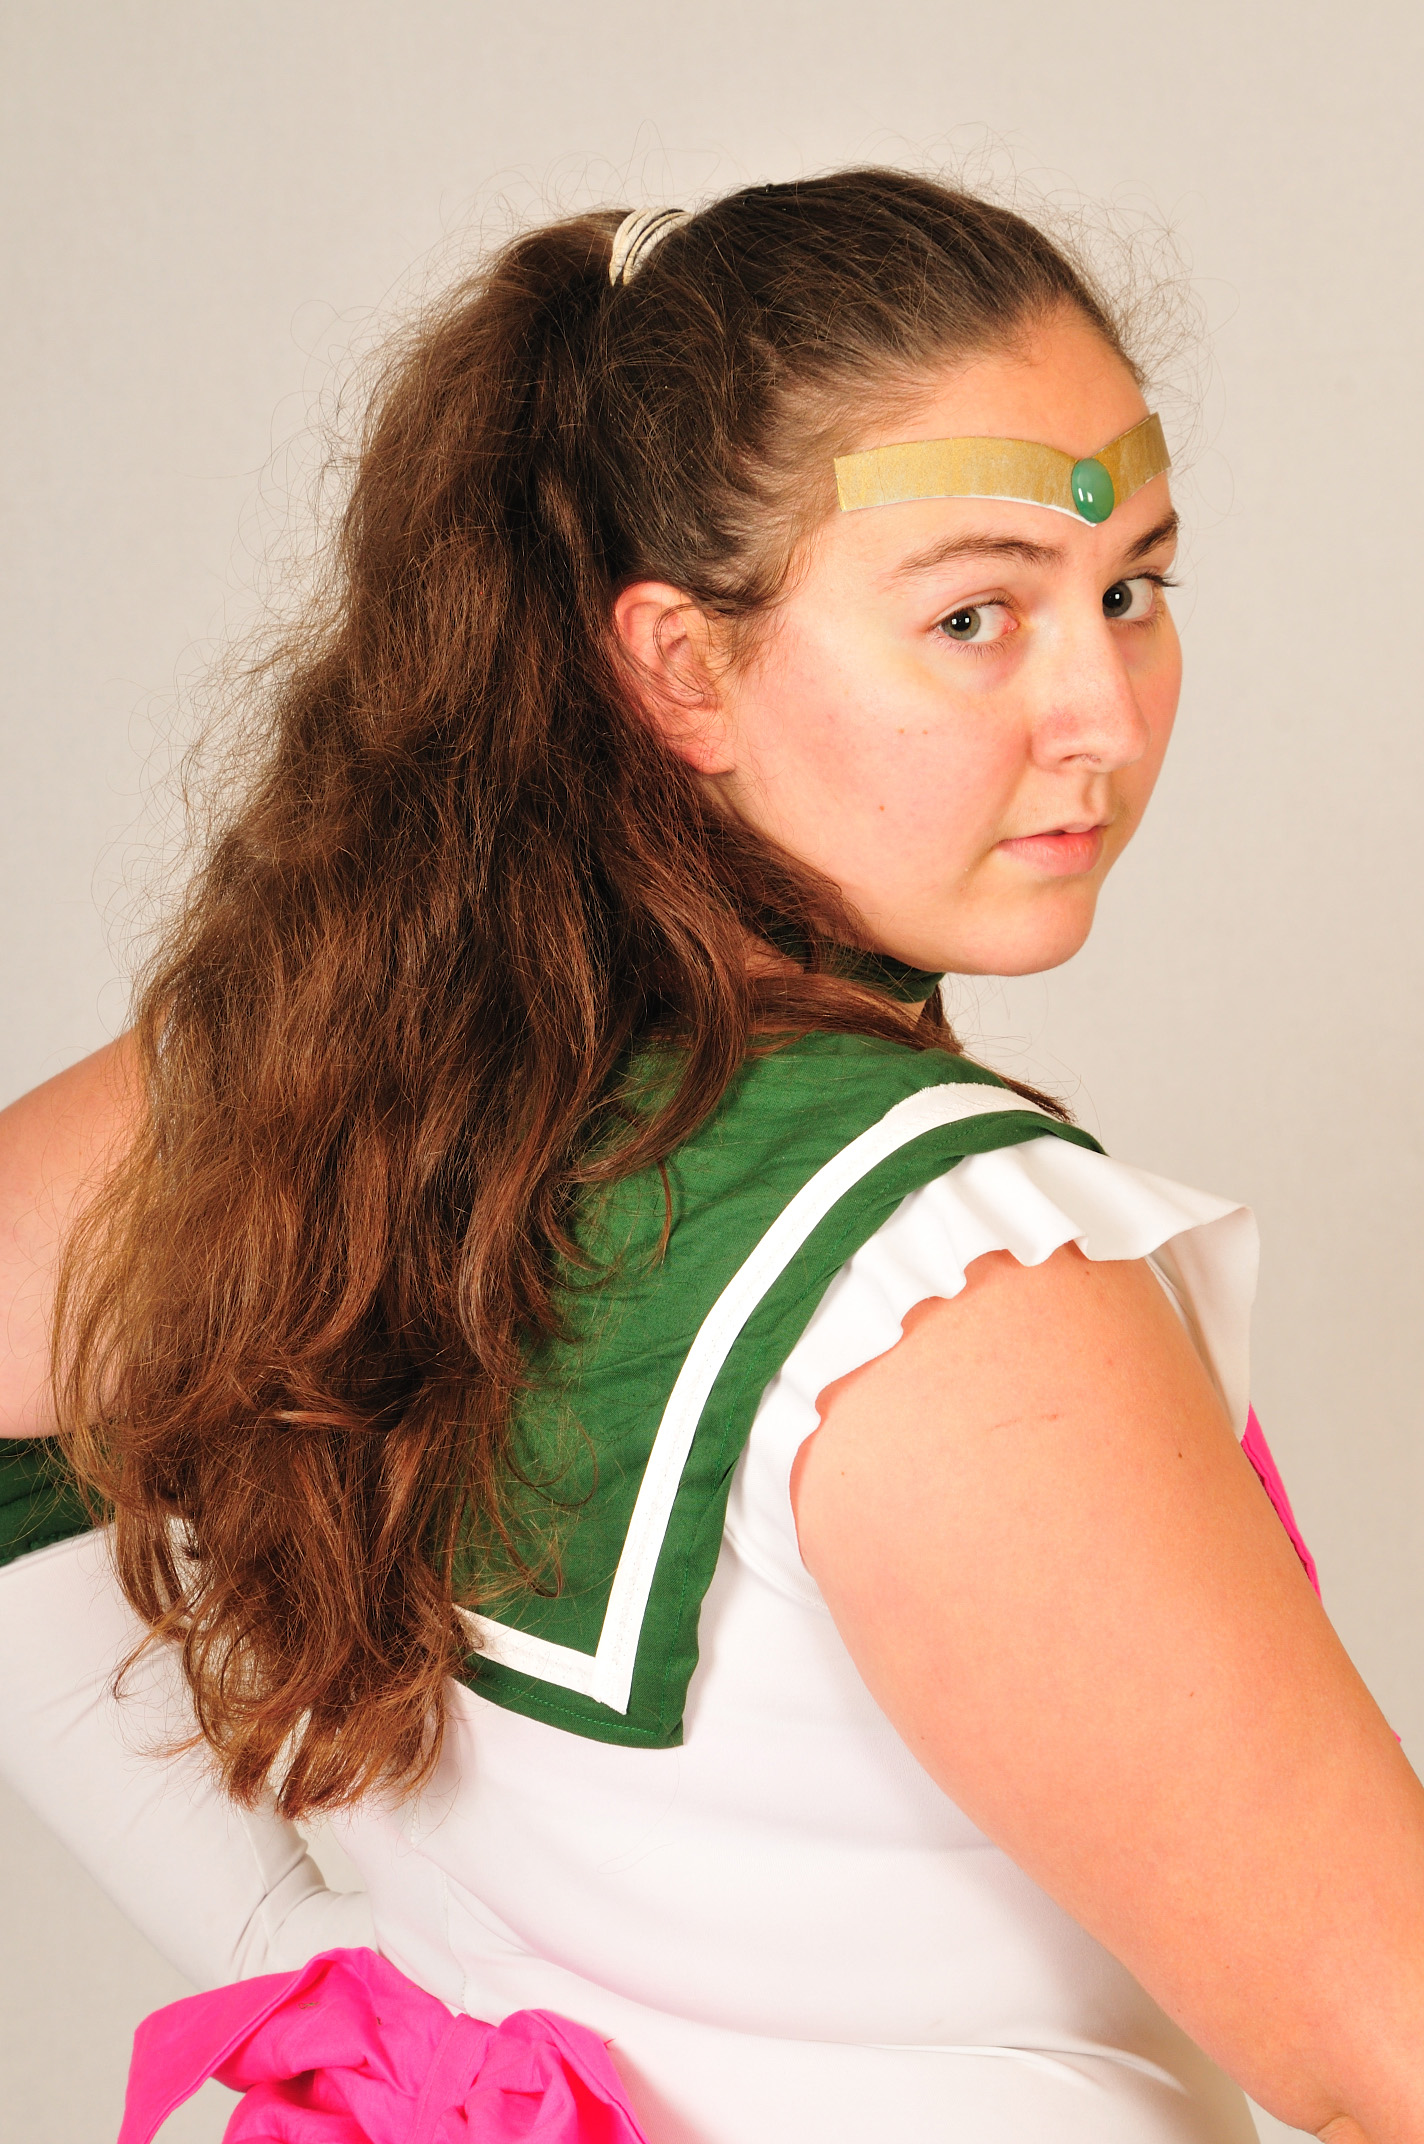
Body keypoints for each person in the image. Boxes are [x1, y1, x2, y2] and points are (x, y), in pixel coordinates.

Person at [1, 170, 1422, 2144]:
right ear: (678, 663)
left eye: (1131, 589)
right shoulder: (952, 1282)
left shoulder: (359, 1075)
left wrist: (292, 1955)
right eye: (974, 615)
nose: (1101, 711)